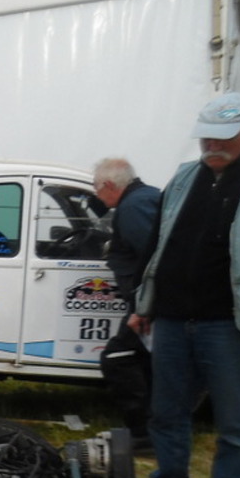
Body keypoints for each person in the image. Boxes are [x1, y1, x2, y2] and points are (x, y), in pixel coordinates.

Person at [130, 92, 240, 478]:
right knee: (166, 411)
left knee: (234, 423)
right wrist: (143, 305)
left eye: (223, 136)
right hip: (171, 319)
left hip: (231, 324)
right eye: (207, 136)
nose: (212, 145)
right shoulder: (185, 177)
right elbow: (157, 243)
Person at [93, 157, 159, 445]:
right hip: (151, 301)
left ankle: (142, 433)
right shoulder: (147, 197)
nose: (97, 196)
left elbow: (152, 260)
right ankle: (155, 428)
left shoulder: (132, 207)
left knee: (117, 358)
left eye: (96, 188)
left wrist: (145, 308)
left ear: (109, 184)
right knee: (145, 362)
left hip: (149, 303)